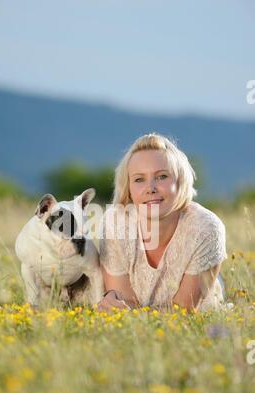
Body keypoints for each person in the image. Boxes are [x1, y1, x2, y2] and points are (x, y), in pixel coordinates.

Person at [97, 133, 228, 312]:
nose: (150, 188)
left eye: (162, 176)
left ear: (180, 182)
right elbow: (123, 303)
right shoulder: (115, 223)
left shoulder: (205, 228)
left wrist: (129, 314)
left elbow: (183, 312)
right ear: (128, 189)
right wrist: (116, 306)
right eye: (139, 179)